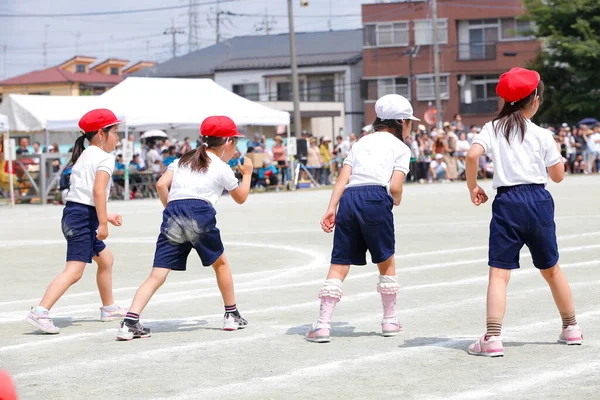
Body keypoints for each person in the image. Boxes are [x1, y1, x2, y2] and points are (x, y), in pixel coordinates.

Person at [465, 67, 582, 357]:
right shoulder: (543, 134)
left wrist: (472, 186)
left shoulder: (492, 128)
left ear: (505, 101)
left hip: (507, 202)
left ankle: (492, 338)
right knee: (551, 269)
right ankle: (571, 328)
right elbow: (557, 177)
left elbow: (471, 155)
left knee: (499, 273)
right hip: (539, 200)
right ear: (535, 100)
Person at [116, 116, 254, 340]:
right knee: (221, 264)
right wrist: (247, 174)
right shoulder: (221, 167)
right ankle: (231, 315)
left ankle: (130, 321)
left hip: (174, 212)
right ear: (228, 141)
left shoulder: (182, 160)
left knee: (157, 274)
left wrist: (171, 208)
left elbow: (161, 184)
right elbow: (241, 197)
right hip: (199, 213)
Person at [305, 94, 417, 343]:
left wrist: (331, 207)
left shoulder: (360, 143)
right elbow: (395, 185)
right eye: (409, 121)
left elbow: (343, 178)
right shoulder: (401, 148)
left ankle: (322, 324)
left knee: (339, 262)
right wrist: (396, 198)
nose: (411, 126)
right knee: (386, 261)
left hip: (349, 198)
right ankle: (389, 320)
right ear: (400, 122)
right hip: (376, 197)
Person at [25, 109, 126, 334]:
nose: (117, 138)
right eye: (115, 132)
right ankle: (40, 311)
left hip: (76, 213)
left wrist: (103, 215)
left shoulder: (86, 154)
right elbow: (98, 191)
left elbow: (85, 194)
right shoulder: (105, 158)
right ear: (101, 133)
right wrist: (103, 223)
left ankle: (108, 307)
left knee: (106, 259)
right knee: (75, 271)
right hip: (82, 219)